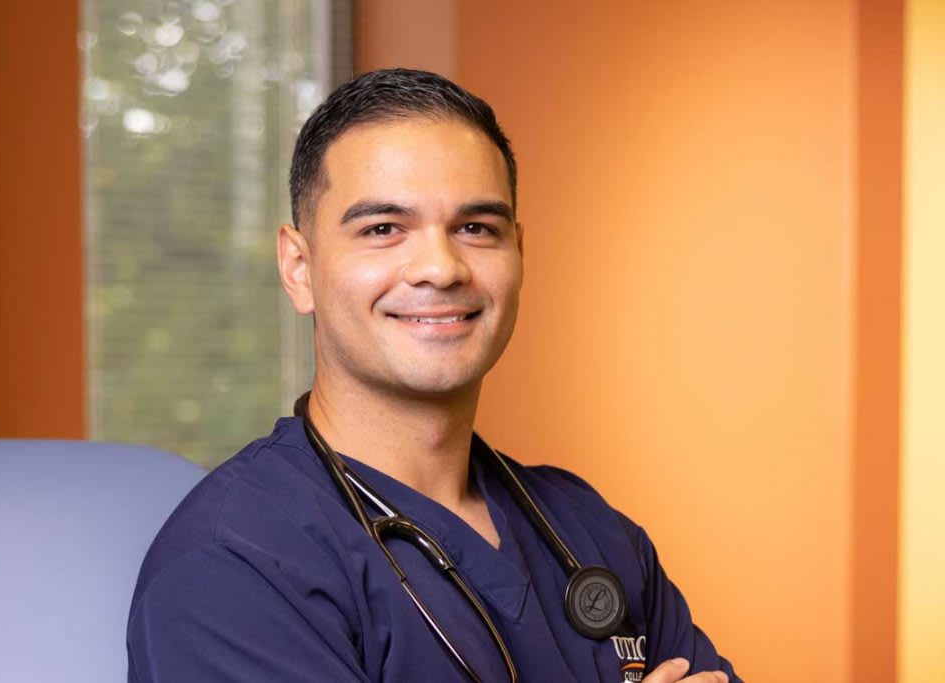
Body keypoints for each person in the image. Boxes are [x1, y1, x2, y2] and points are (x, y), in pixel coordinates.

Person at [127, 68, 741, 683]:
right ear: (298, 267)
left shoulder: (589, 530)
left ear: (518, 255)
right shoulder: (233, 565)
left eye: (476, 228)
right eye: (383, 229)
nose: (441, 268)